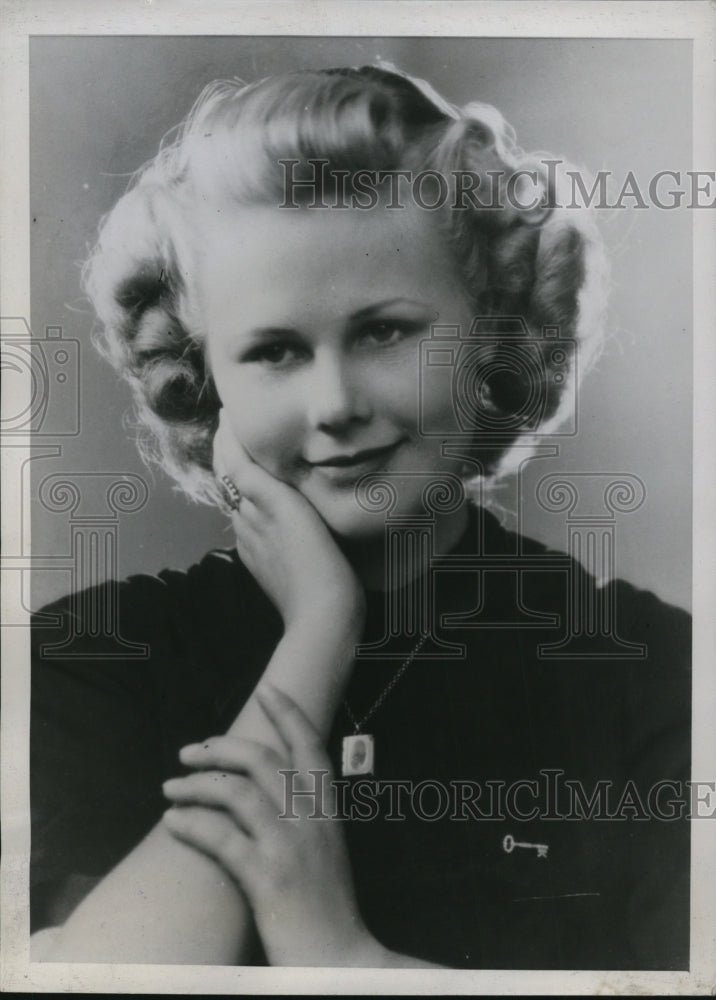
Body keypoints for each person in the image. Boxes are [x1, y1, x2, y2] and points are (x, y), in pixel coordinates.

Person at [30, 64, 690, 969]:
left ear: (495, 333)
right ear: (203, 379)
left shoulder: (648, 672)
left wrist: (338, 955)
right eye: (273, 351)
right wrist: (320, 629)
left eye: (384, 331)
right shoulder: (91, 656)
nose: (335, 402)